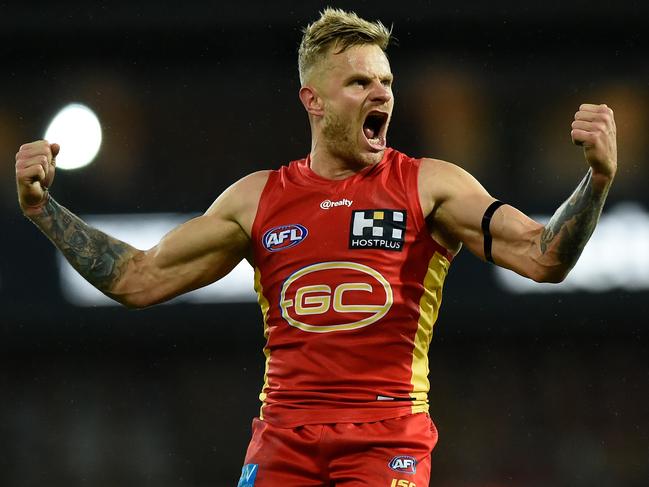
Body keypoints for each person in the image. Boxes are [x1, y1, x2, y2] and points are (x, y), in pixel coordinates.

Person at [14, 8, 616, 487]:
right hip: (282, 439)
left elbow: (543, 257)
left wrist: (594, 182)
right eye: (360, 82)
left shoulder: (429, 186)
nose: (381, 94)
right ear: (314, 100)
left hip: (387, 439)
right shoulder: (258, 200)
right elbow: (137, 279)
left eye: (386, 81)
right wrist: (46, 211)